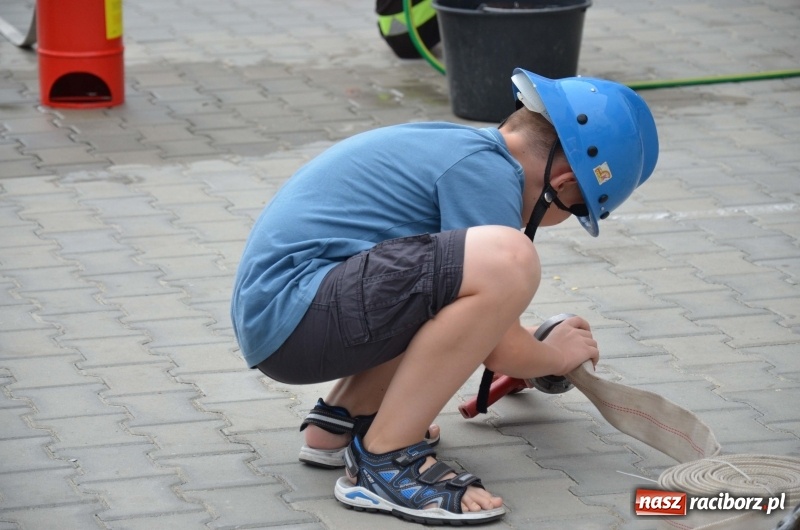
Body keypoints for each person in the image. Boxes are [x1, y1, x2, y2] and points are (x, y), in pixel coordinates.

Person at [230, 68, 659, 525]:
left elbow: (460, 314)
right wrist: (550, 357)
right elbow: (498, 344)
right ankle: (386, 460)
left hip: (287, 320)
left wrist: (526, 341)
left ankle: (343, 420)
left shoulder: (459, 149)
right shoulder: (487, 170)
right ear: (568, 183)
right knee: (510, 257)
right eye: (577, 212)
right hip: (300, 318)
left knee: (453, 276)